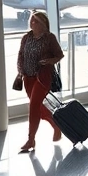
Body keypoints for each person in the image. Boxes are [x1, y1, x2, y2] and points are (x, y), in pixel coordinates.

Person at [15, 10, 64, 152]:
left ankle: (31, 140)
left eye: (36, 21)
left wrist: (48, 61)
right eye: (31, 20)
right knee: (37, 107)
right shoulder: (26, 37)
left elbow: (59, 55)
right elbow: (21, 54)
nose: (33, 23)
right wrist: (20, 71)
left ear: (43, 23)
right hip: (28, 77)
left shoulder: (49, 38)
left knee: (33, 107)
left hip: (42, 77)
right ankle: (56, 124)